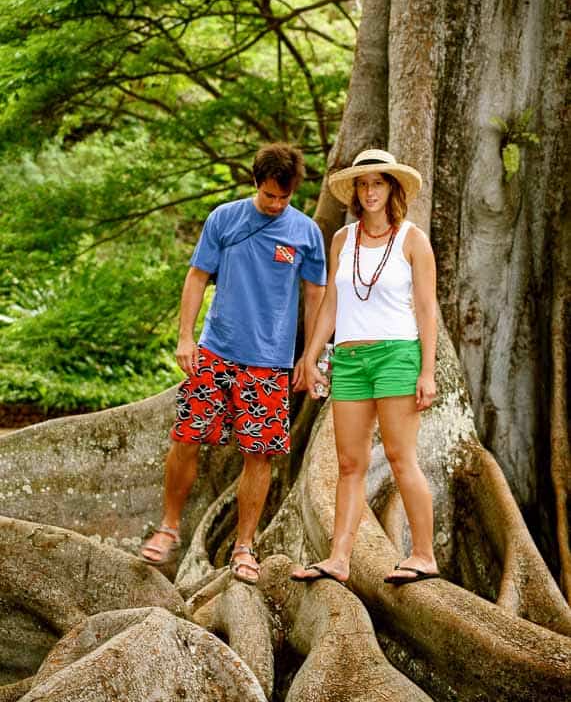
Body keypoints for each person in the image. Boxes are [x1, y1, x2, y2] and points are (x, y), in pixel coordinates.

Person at [141, 143, 327, 583]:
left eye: (284, 198)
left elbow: (316, 293)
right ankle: (168, 527)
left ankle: (244, 547)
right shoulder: (224, 218)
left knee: (258, 454)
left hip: (269, 362)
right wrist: (186, 337)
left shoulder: (305, 233)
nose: (276, 205)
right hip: (217, 350)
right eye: (269, 196)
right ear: (255, 184)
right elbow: (197, 276)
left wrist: (310, 356)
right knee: (187, 436)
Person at [290, 148, 439, 586]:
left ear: (392, 188)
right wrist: (312, 356)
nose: (370, 190)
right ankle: (339, 558)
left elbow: (428, 310)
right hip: (350, 359)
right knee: (349, 463)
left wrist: (426, 372)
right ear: (354, 191)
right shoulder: (343, 239)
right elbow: (333, 303)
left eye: (378, 182)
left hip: (397, 355)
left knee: (399, 457)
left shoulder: (413, 239)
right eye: (362, 183)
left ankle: (424, 555)